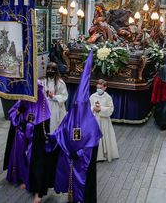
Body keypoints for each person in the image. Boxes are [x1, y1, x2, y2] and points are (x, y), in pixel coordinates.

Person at [48, 51, 102, 203]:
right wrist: (50, 138)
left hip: (83, 161)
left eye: (81, 105)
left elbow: (92, 142)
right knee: (70, 182)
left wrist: (78, 153)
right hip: (71, 159)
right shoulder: (71, 116)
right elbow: (61, 131)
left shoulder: (91, 123)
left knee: (85, 188)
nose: (78, 108)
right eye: (76, 105)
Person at [4, 81, 52, 203]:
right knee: (28, 157)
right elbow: (15, 112)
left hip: (39, 127)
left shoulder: (40, 98)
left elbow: (39, 89)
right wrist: (20, 110)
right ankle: (29, 182)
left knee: (38, 159)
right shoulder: (25, 97)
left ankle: (39, 192)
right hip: (27, 130)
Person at [90, 79, 119, 162]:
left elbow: (111, 109)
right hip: (95, 120)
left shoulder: (108, 97)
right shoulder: (92, 96)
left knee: (104, 136)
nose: (98, 89)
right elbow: (89, 107)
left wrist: (101, 109)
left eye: (100, 88)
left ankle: (105, 153)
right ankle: (97, 155)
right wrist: (93, 108)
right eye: (97, 87)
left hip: (104, 121)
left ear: (105, 88)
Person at [42, 62, 69, 132]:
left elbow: (64, 96)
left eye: (52, 69)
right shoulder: (43, 81)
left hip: (55, 106)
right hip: (45, 105)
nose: (50, 71)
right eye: (48, 69)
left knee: (54, 124)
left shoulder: (60, 82)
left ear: (56, 71)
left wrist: (54, 97)